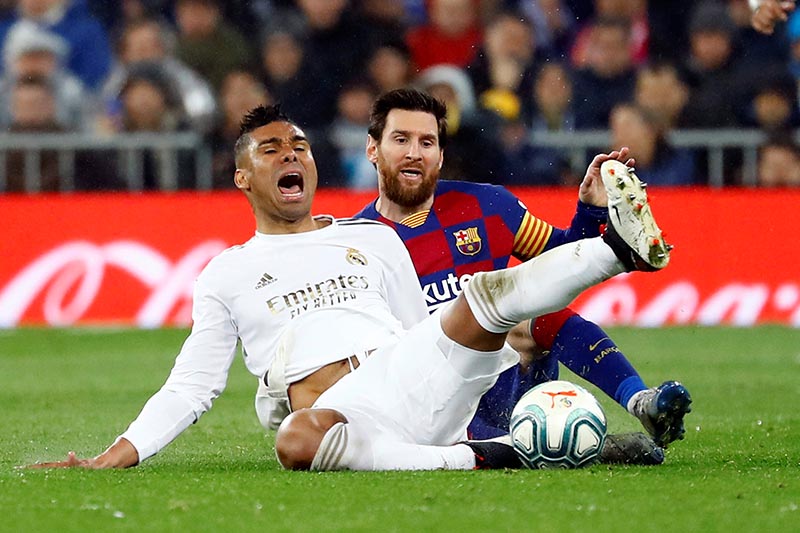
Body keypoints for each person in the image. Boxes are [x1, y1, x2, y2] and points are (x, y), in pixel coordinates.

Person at [31, 103, 671, 471]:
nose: (290, 155)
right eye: (271, 149)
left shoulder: (370, 240)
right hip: (351, 416)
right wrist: (115, 456)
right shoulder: (226, 272)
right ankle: (505, 453)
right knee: (295, 441)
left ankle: (617, 249)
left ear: (313, 164)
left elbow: (414, 331)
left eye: (299, 146)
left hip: (409, 377)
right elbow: (192, 388)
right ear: (242, 179)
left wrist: (496, 353)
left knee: (487, 297)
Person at [351, 89, 691, 457]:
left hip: (507, 383)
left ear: (441, 154)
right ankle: (574, 448)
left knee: (535, 314)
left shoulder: (488, 207)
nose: (415, 152)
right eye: (401, 139)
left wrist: (591, 211)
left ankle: (641, 402)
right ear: (373, 148)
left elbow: (562, 262)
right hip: (430, 402)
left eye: (427, 142)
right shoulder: (355, 247)